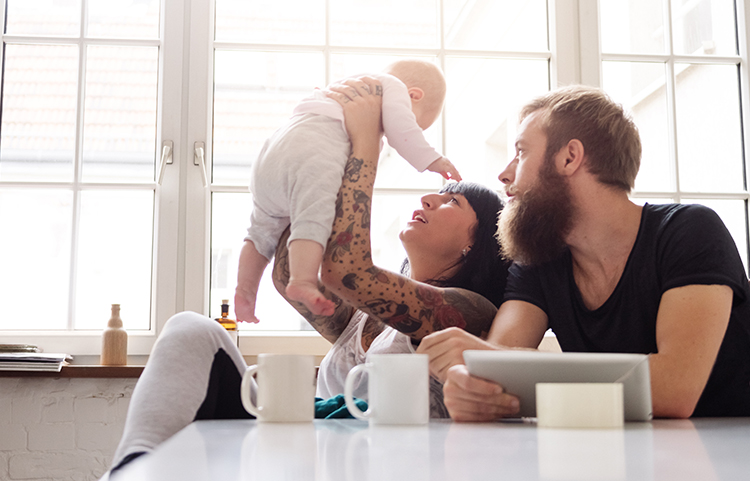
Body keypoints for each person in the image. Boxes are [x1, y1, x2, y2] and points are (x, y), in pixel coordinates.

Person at [104, 76, 510, 478]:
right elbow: (287, 276)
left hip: (380, 467)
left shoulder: (470, 312)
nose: (428, 197)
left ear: (476, 244)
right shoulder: (363, 319)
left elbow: (346, 271)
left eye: (451, 201)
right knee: (190, 328)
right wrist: (315, 150)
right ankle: (133, 469)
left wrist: (366, 142)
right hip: (311, 456)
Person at [417, 85, 750, 420]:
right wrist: (471, 386)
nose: (505, 174)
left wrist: (497, 365)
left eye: (521, 152)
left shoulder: (690, 230)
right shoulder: (539, 260)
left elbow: (673, 390)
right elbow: (496, 362)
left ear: (569, 158)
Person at [237, 59, 462, 324]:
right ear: (413, 95)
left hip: (270, 156)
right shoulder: (391, 88)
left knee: (260, 231)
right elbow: (404, 134)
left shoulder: (349, 87)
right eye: (419, 124)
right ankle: (303, 280)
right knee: (315, 215)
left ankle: (245, 290)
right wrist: (433, 160)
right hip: (310, 153)